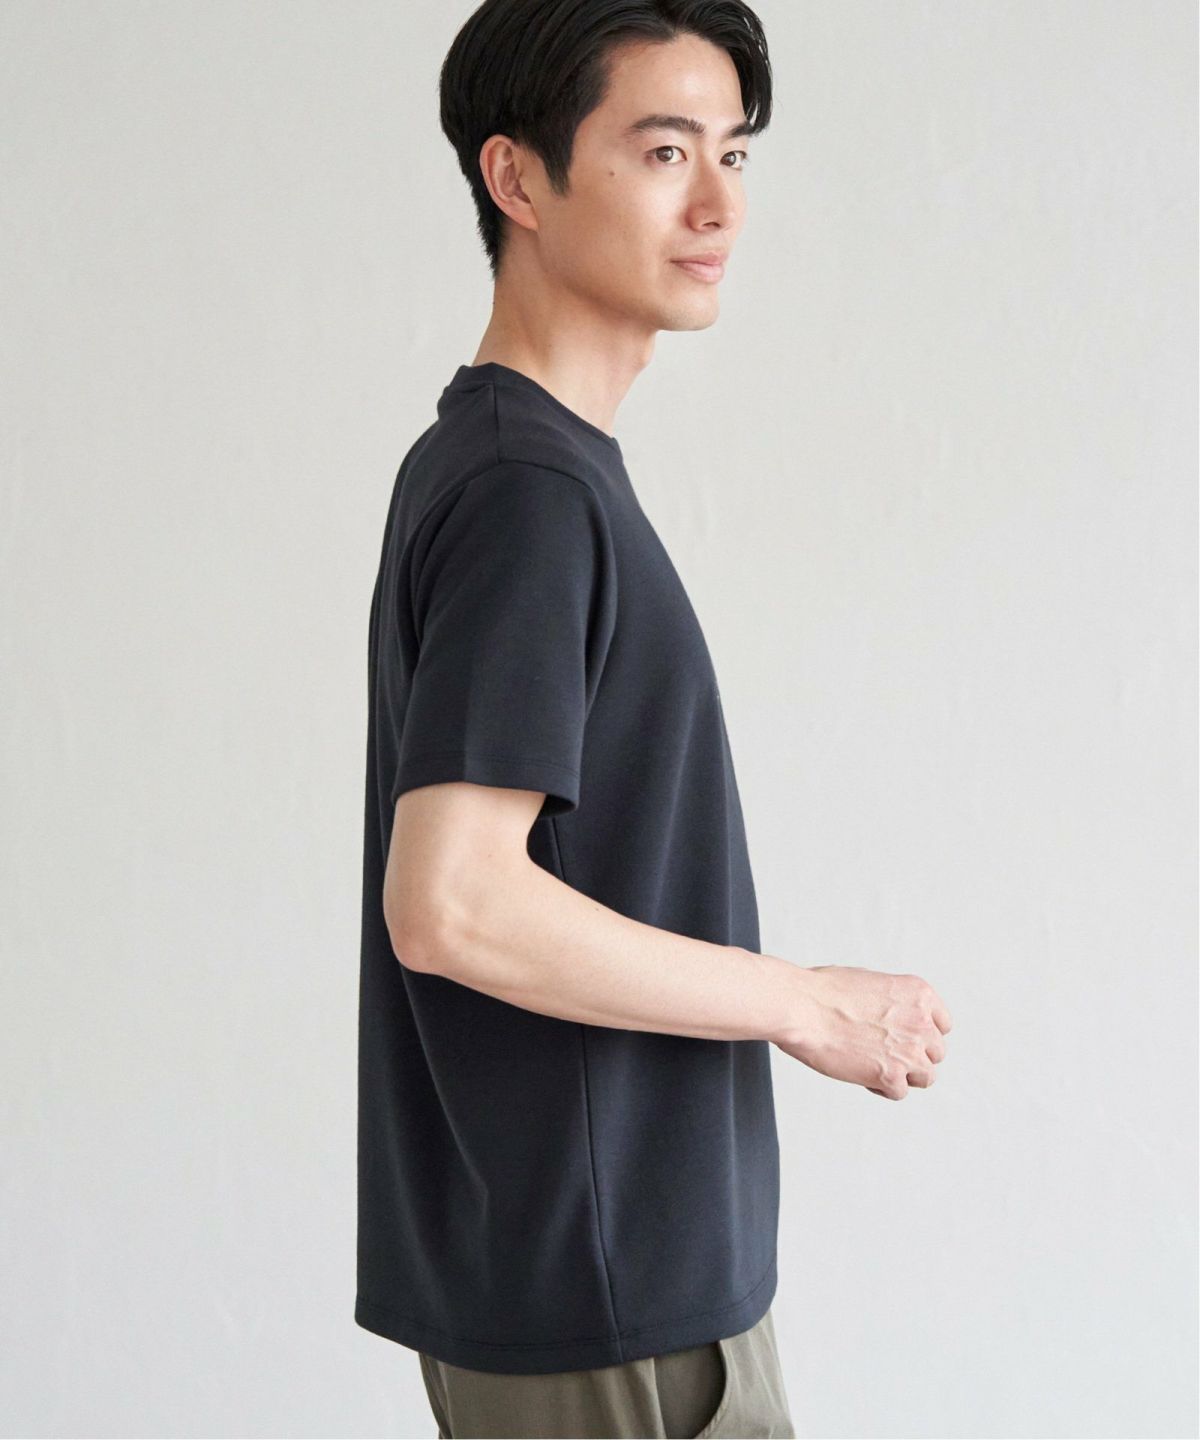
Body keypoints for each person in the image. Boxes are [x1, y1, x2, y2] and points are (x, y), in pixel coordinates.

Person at [354, 2, 954, 1436]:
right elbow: (452, 905)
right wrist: (807, 1002)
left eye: (734, 154)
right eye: (665, 150)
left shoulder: (518, 468)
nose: (719, 205)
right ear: (517, 177)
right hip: (609, 1305)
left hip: (603, 1285)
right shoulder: (526, 495)